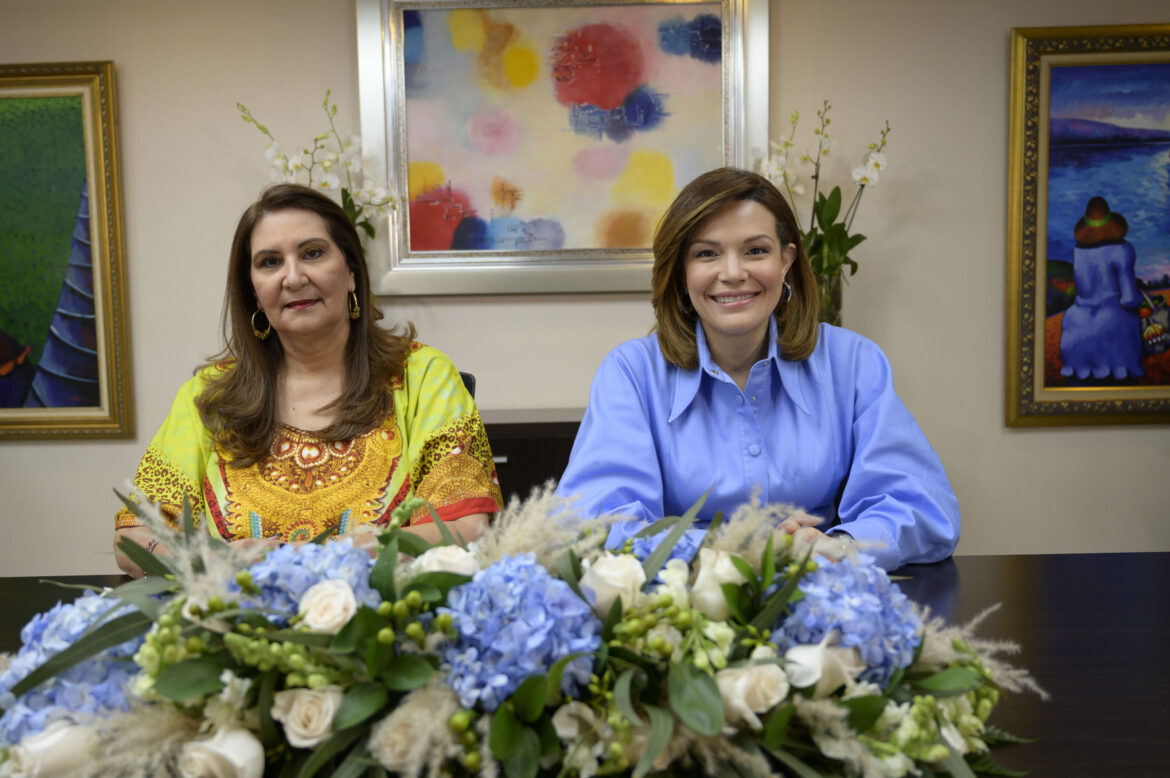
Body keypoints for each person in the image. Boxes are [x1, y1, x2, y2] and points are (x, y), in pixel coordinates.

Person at [556, 168, 958, 570]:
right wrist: (739, 550)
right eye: (706, 253)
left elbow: (923, 508)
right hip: (680, 606)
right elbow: (592, 524)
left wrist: (840, 546)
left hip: (815, 594)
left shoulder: (852, 363)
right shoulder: (631, 373)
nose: (732, 273)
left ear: (786, 260)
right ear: (681, 272)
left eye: (756, 251)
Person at [114, 184, 501, 577]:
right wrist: (208, 561)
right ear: (254, 290)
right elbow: (132, 539)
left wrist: (341, 553)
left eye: (312, 253)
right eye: (269, 262)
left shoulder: (423, 377)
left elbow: (467, 528)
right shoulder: (210, 395)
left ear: (351, 271)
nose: (293, 277)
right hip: (235, 623)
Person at [1059, 196, 1145, 380]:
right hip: (1112, 326)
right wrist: (1142, 300)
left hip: (1078, 327)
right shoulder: (1123, 250)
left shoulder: (1078, 252)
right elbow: (1129, 299)